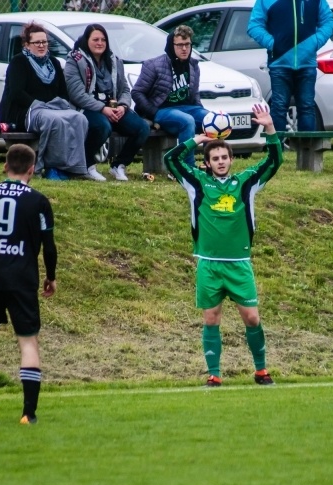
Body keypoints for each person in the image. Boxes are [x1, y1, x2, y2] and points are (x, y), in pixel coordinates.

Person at [163, 103, 282, 387]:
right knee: (211, 318)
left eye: (224, 157)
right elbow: (171, 160)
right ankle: (214, 375)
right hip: (208, 262)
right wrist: (196, 140)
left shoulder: (246, 183)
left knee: (252, 318)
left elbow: (274, 161)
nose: (220, 161)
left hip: (239, 264)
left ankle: (261, 370)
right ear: (206, 162)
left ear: (231, 159)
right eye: (214, 157)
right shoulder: (197, 183)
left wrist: (269, 128)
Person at [0, 144, 57, 425]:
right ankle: (28, 413)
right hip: (21, 278)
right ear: (32, 169)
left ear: (5, 166)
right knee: (28, 343)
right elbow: (49, 245)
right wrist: (50, 276)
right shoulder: (38, 201)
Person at [0, 22, 89, 180]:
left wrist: (58, 104)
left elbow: (63, 93)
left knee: (79, 118)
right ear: (27, 45)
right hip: (26, 111)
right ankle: (51, 167)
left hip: (52, 108)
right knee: (53, 120)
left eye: (44, 42)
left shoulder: (54, 63)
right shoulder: (19, 62)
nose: (41, 45)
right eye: (37, 42)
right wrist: (40, 105)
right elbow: (16, 93)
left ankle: (77, 168)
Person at [65, 24, 150, 182]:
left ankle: (118, 165)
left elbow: (125, 89)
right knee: (103, 126)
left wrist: (123, 106)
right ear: (86, 41)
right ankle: (87, 165)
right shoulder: (74, 60)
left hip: (112, 107)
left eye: (103, 39)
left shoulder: (114, 60)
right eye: (95, 39)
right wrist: (102, 109)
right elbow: (76, 94)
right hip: (86, 109)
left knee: (142, 128)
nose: (100, 43)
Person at [247, 0, 333, 132]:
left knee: (306, 107)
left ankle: (307, 151)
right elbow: (254, 26)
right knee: (279, 108)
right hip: (279, 64)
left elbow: (329, 22)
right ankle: (277, 150)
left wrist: (315, 42)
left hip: (306, 64)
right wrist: (273, 44)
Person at [132, 25, 212, 168]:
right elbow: (137, 92)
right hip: (163, 110)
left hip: (188, 107)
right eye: (180, 45)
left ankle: (211, 164)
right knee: (187, 121)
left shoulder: (193, 65)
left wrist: (202, 111)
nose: (184, 49)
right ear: (171, 45)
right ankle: (186, 168)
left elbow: (195, 94)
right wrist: (153, 112)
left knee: (212, 119)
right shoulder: (154, 65)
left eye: (187, 44)